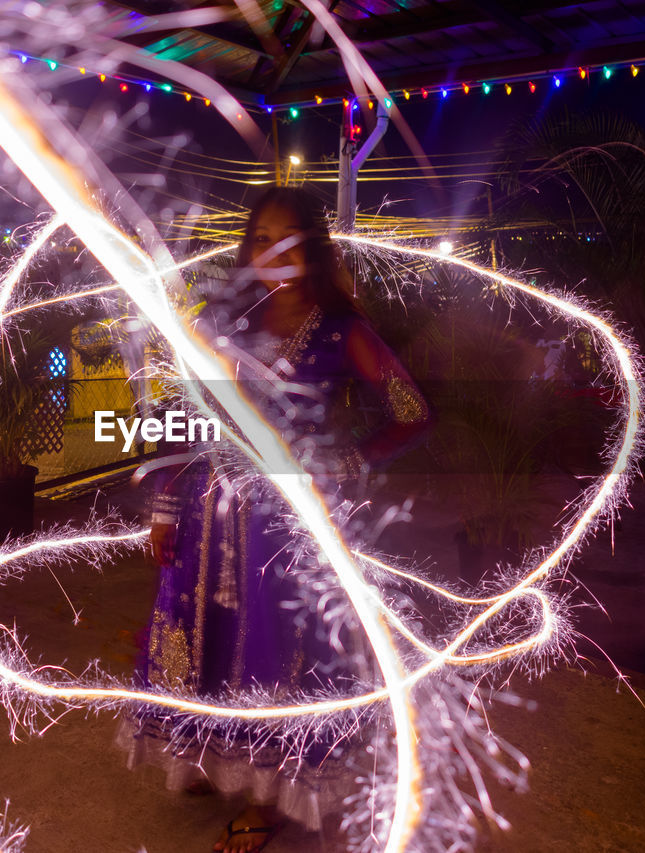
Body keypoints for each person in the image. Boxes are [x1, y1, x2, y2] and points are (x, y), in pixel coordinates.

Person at [119, 186, 430, 853]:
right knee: (203, 641)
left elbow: (412, 410)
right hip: (209, 509)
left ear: (312, 249)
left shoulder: (343, 329)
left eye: (288, 238)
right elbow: (199, 418)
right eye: (261, 238)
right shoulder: (229, 321)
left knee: (269, 655)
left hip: (283, 524)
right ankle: (203, 749)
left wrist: (348, 458)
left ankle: (265, 800)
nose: (272, 251)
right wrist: (169, 500)